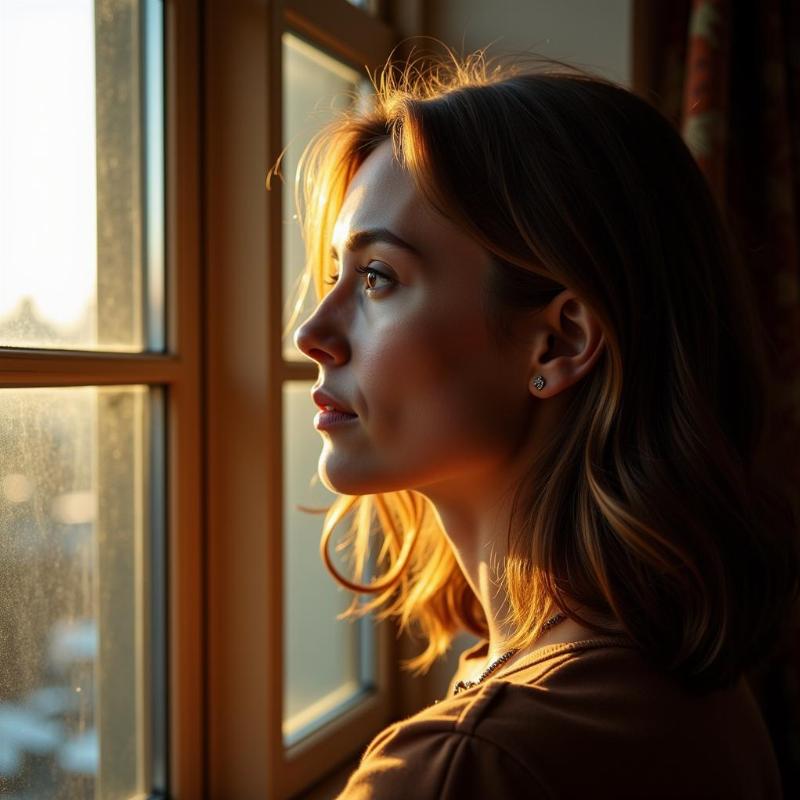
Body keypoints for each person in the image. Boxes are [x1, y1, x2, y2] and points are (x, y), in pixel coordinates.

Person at [288, 40, 799, 799]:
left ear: (559, 342)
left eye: (376, 277)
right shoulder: (681, 681)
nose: (311, 333)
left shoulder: (471, 766)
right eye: (337, 274)